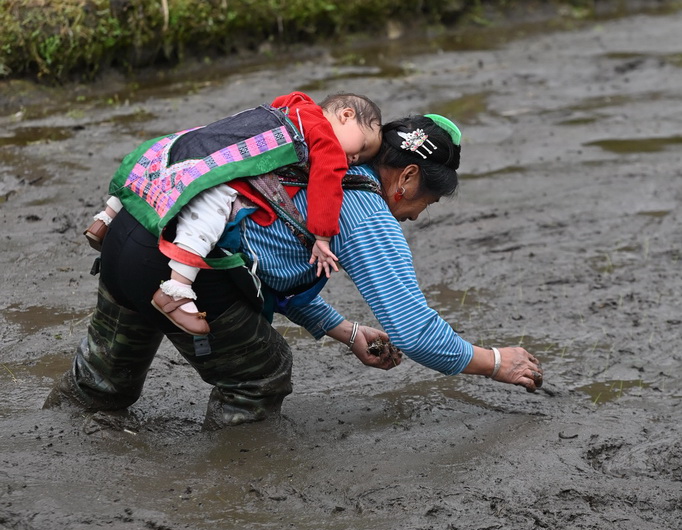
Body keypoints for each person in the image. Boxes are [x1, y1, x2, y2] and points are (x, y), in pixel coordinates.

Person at [45, 112, 543, 428]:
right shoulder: (364, 207)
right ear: (407, 178)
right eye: (426, 203)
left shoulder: (311, 158)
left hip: (132, 233)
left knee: (101, 386)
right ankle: (235, 479)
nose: (415, 215)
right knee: (264, 370)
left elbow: (275, 267)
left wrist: (347, 333)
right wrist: (493, 362)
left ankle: (60, 431)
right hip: (185, 269)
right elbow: (412, 330)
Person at [82, 92, 382, 335]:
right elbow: (326, 183)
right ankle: (177, 288)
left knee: (166, 155)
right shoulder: (326, 141)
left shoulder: (296, 103)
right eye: (363, 147)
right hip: (229, 168)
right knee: (211, 209)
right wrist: (322, 235)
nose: (355, 159)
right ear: (345, 116)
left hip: (207, 142)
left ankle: (105, 218)